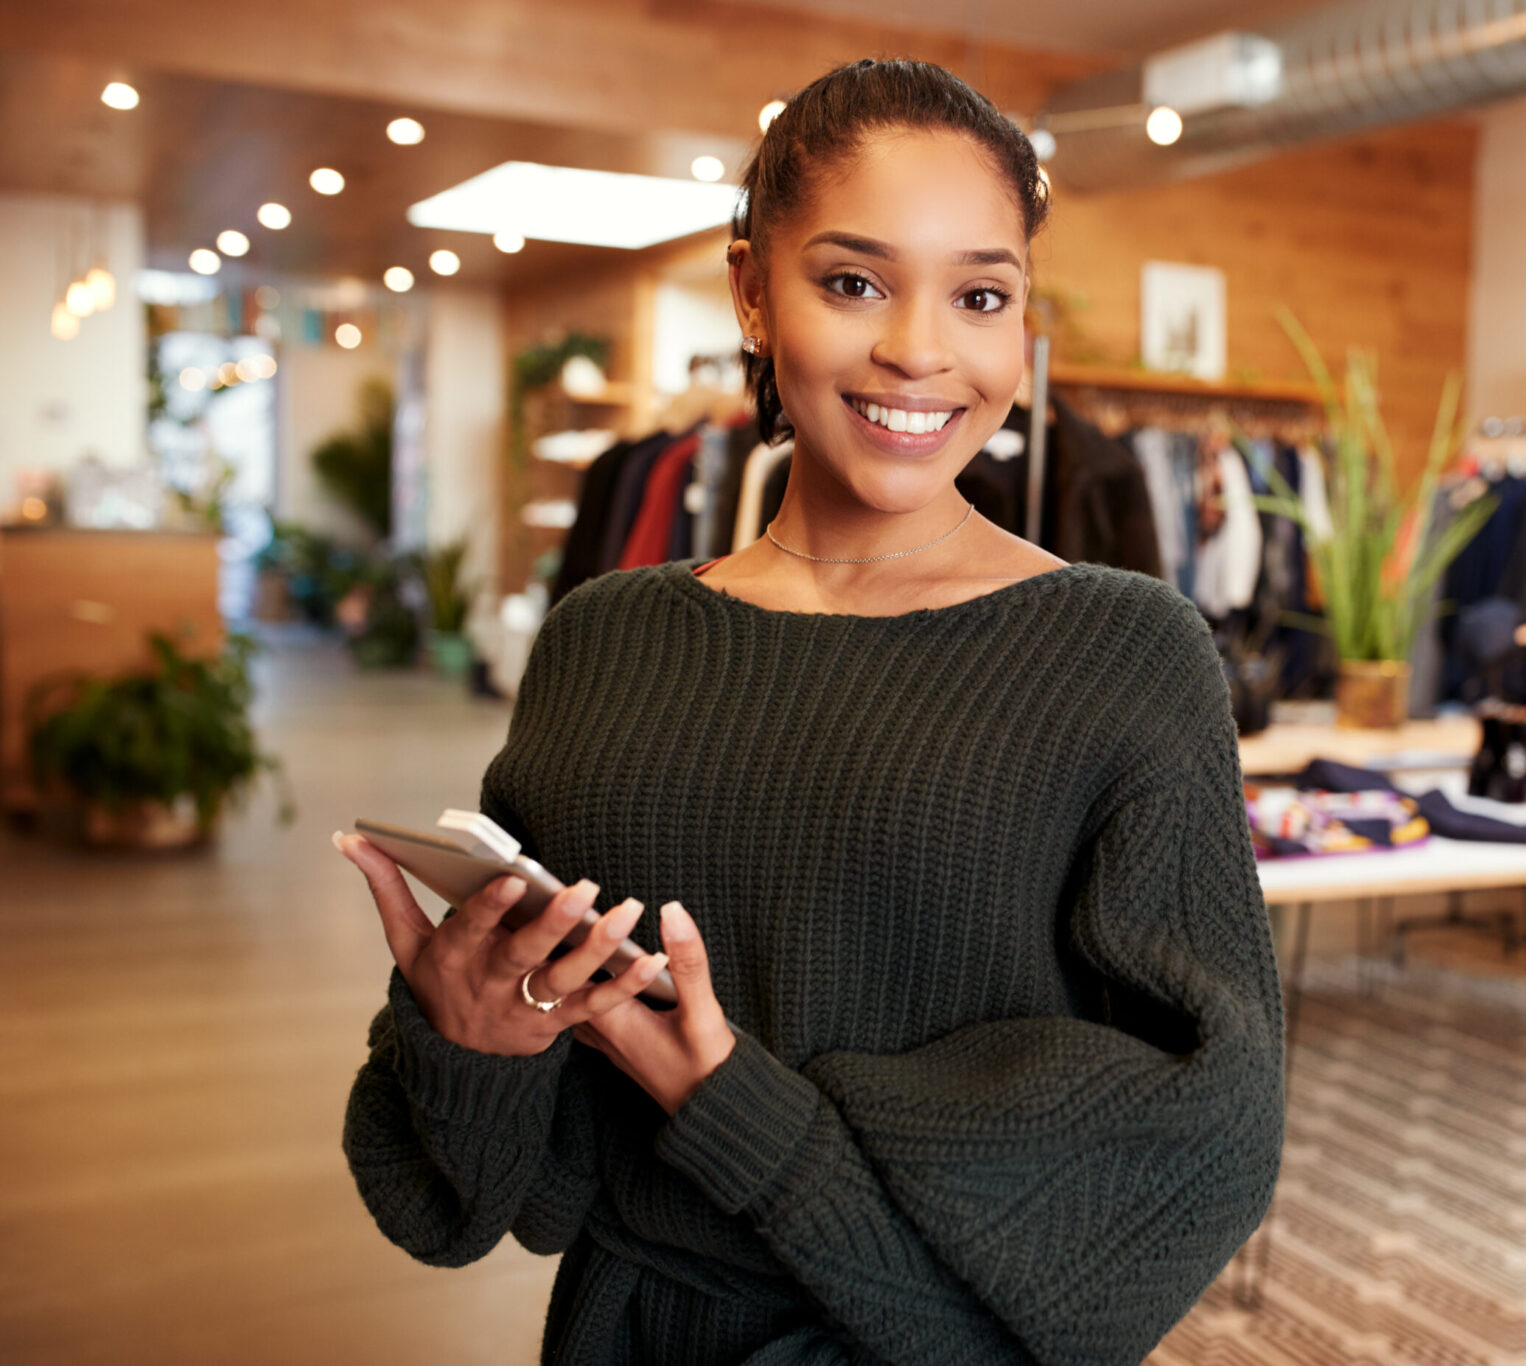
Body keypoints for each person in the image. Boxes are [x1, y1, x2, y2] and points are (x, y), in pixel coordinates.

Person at [333, 57, 1284, 1365]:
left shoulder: (1124, 651)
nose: (921, 348)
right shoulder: (606, 642)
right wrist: (475, 1038)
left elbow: (1205, 1125)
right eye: (853, 281)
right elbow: (478, 1194)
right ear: (752, 293)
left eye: (981, 295)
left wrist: (735, 1107)